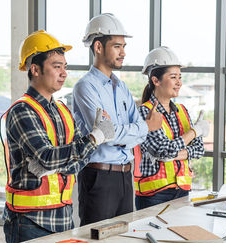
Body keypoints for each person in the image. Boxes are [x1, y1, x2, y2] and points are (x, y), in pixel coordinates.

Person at [0, 30, 114, 243]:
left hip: (62, 217)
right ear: (35, 69)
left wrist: (57, 163)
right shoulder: (23, 111)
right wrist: (93, 139)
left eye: (65, 66)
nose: (64, 73)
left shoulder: (62, 110)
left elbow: (76, 162)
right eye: (56, 66)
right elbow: (49, 158)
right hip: (29, 221)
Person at [73, 13, 162, 226]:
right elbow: (107, 134)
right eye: (117, 46)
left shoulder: (121, 88)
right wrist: (143, 127)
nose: (123, 52)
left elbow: (133, 133)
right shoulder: (86, 87)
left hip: (125, 176)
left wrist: (136, 130)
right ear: (98, 47)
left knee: (122, 240)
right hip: (99, 177)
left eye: (124, 46)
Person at [133, 46, 209, 210]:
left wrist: (175, 154)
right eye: (173, 77)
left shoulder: (182, 111)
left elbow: (199, 149)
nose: (179, 82)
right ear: (156, 80)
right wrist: (194, 132)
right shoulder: (145, 112)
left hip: (182, 190)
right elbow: (163, 150)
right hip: (154, 195)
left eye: (180, 77)